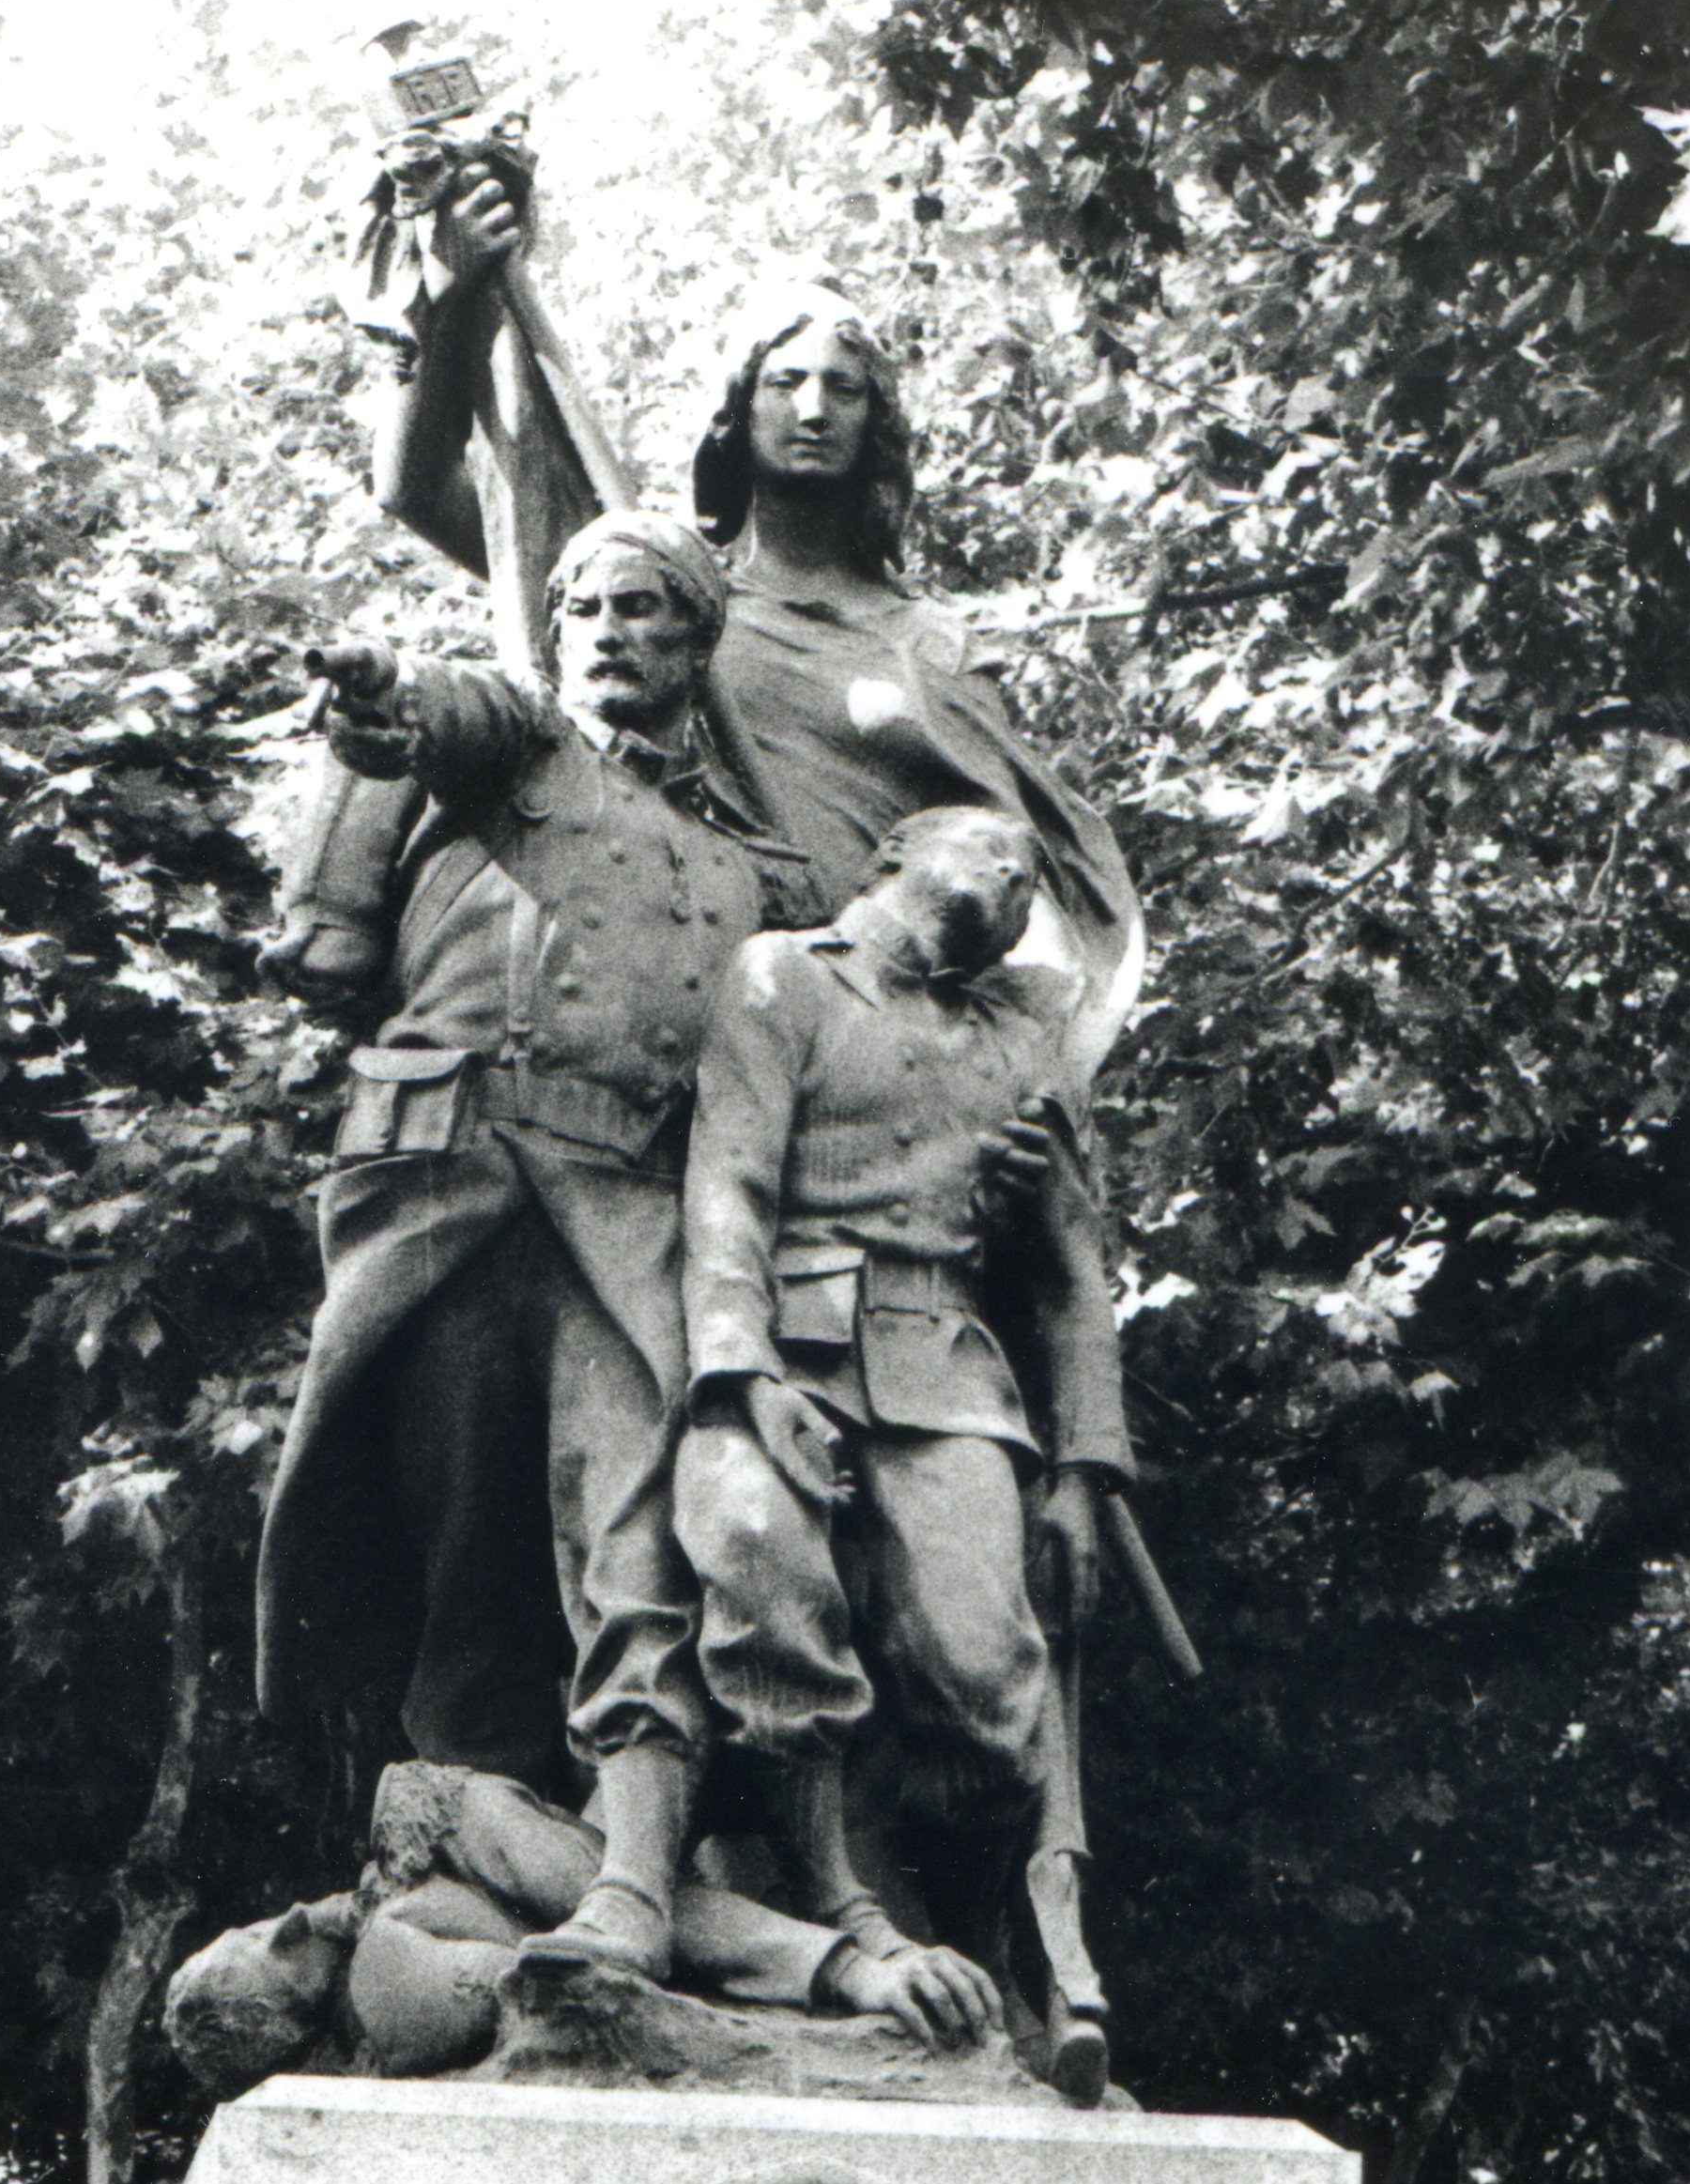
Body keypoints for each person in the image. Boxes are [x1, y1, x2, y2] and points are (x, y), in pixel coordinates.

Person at [251, 510, 818, 1981]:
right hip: (450, 1187)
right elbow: (454, 710)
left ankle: (633, 1874)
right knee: (458, 1553)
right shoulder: (514, 753)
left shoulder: (759, 872)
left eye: (650, 614)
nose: (612, 636)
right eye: (588, 612)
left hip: (628, 1220)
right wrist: (390, 698)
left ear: (700, 647)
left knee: (639, 1525)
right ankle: (474, 1851)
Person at [376, 195, 1141, 1080]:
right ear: (739, 408)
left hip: (872, 1036)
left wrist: (1024, 1062)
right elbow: (418, 494)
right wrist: (453, 287)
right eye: (785, 382)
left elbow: (1014, 859)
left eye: (843, 387)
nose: (813, 409)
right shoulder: (650, 589)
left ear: (875, 421)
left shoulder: (930, 638)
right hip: (683, 998)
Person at [675, 803, 1131, 2097]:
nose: (1013, 880)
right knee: (759, 1556)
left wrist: (1085, 1475)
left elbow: (1065, 1280)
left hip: (947, 1378)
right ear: (886, 855)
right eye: (990, 850)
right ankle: (838, 1907)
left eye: (1032, 876)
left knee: (989, 1679)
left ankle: (985, 1941)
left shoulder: (1023, 1041)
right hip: (784, 1358)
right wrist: (741, 1377)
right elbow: (728, 1193)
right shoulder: (779, 977)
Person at [167, 1764, 990, 2090]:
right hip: (720, 1861)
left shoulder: (395, 1936)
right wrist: (851, 1968)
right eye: (255, 1945)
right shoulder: (397, 1930)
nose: (277, 1921)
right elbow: (622, 1907)